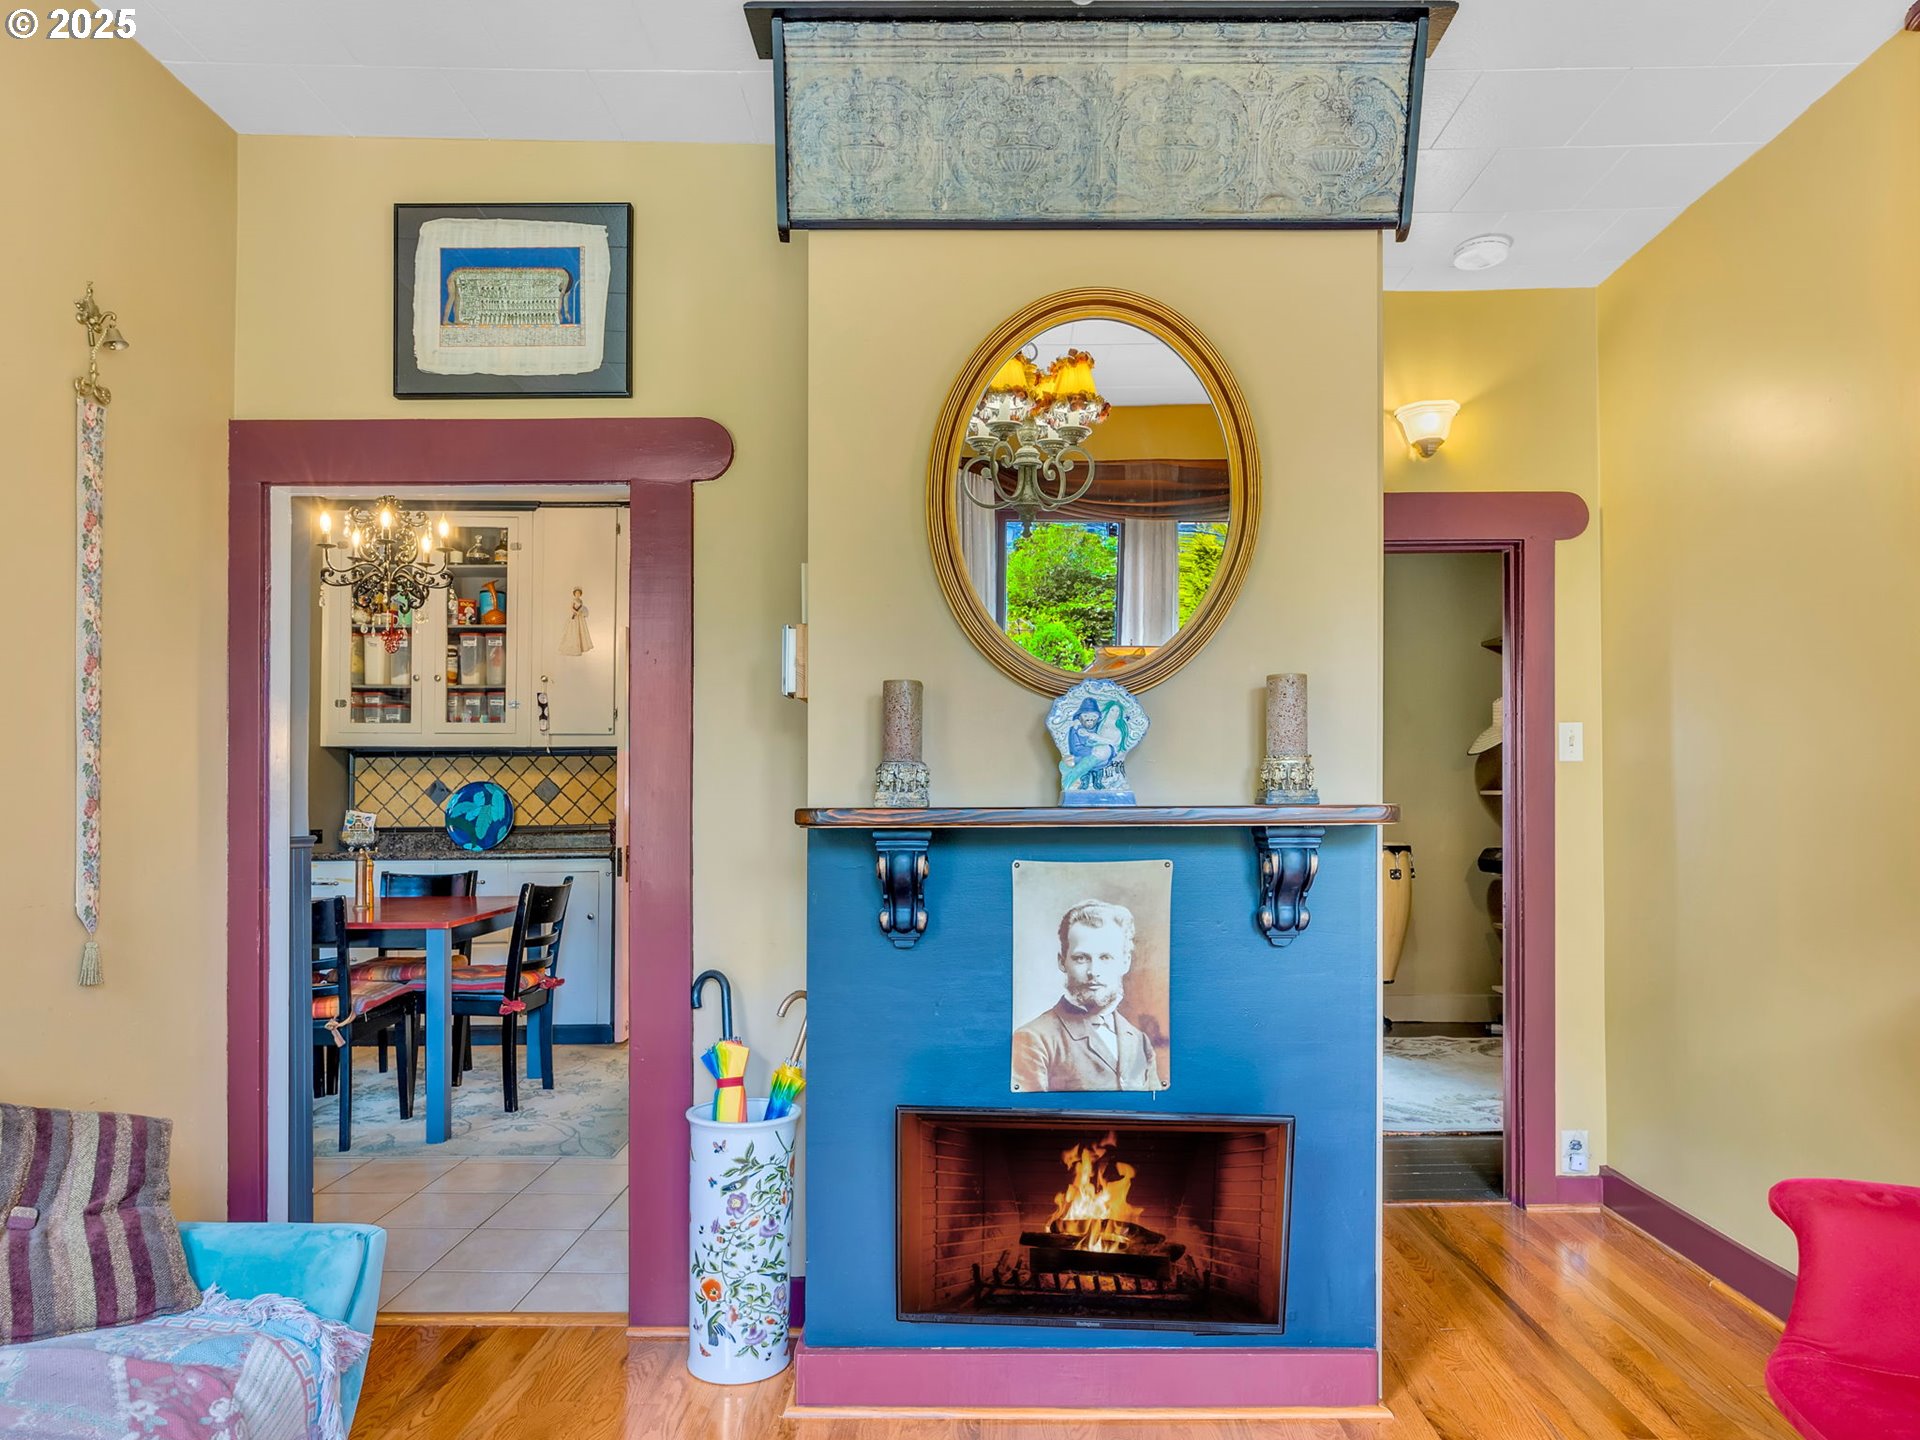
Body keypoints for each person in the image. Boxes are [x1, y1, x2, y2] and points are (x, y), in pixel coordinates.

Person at [1012, 899, 1164, 1092]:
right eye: (1081, 958)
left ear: (1125, 962)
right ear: (1062, 961)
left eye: (1106, 957)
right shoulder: (1033, 1039)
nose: (1094, 971)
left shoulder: (1139, 1040)